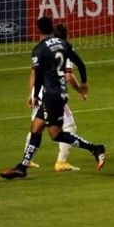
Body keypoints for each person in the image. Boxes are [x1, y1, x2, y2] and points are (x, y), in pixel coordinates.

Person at [0, 17, 105, 180]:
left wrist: (34, 95)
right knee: (36, 127)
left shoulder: (38, 50)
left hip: (51, 95)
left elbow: (38, 75)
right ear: (52, 28)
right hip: (59, 93)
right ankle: (22, 167)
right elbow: (81, 65)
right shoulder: (64, 44)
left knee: (56, 134)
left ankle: (95, 148)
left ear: (38, 30)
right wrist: (83, 84)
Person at [25, 23, 87, 172]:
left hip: (39, 93)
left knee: (37, 126)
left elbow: (33, 73)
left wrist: (32, 93)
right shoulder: (63, 48)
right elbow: (69, 75)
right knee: (69, 125)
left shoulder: (43, 49)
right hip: (52, 94)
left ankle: (27, 160)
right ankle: (61, 162)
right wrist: (80, 90)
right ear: (66, 36)